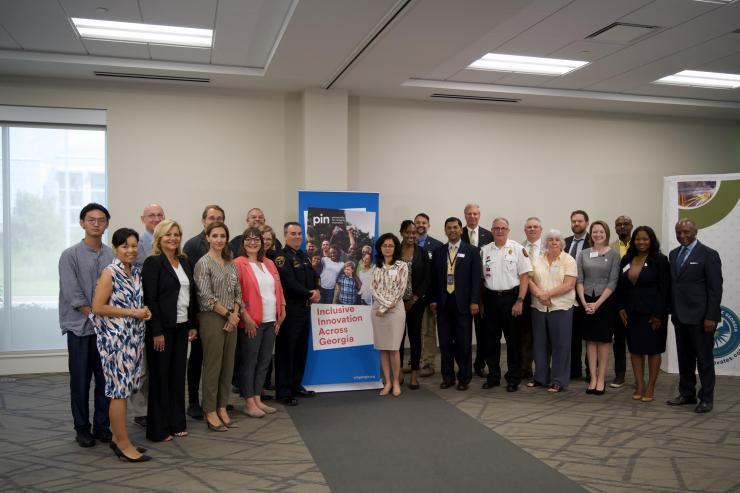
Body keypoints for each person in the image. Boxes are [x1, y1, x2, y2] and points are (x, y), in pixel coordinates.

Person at [91, 228, 152, 462]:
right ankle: (124, 443)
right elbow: (98, 307)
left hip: (133, 339)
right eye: (125, 246)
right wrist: (131, 312)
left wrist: (143, 311)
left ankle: (118, 438)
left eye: (134, 245)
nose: (131, 250)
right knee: (118, 392)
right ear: (115, 248)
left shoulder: (135, 271)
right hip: (116, 341)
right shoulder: (110, 273)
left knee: (126, 390)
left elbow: (135, 303)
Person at [59, 203, 114, 448]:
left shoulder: (112, 254)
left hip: (107, 330)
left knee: (105, 381)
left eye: (100, 220)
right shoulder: (69, 255)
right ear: (82, 223)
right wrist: (96, 313)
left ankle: (101, 426)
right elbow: (73, 294)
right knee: (80, 382)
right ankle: (82, 429)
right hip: (80, 329)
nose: (95, 223)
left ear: (106, 224)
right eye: (90, 219)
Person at [141, 219, 197, 442]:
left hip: (182, 327)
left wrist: (192, 324)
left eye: (176, 234)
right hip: (161, 329)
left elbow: (191, 296)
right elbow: (150, 300)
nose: (173, 238)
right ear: (159, 238)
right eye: (168, 234)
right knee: (160, 378)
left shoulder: (184, 261)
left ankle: (176, 422)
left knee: (176, 376)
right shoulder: (152, 263)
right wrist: (156, 331)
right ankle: (159, 428)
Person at [667, 218, 723, 413]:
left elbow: (715, 290)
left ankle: (706, 398)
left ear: (695, 232)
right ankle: (687, 393)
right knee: (685, 358)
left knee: (704, 360)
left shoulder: (709, 254)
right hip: (680, 316)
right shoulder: (673, 255)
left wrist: (711, 317)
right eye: (679, 232)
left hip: (701, 319)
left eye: (686, 232)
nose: (682, 235)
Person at [194, 222, 242, 431]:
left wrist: (236, 314)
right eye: (215, 236)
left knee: (228, 364)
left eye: (223, 236)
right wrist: (229, 315)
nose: (220, 240)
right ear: (207, 238)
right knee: (213, 365)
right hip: (213, 318)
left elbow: (238, 292)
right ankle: (210, 409)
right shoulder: (203, 263)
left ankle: (222, 406)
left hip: (233, 317)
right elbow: (205, 297)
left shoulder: (230, 263)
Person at [234, 227, 286, 418]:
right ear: (243, 242)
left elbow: (278, 289)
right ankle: (248, 401)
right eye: (249, 239)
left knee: (264, 361)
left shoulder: (269, 263)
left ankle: (257, 398)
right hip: (252, 321)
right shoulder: (239, 263)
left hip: (271, 320)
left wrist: (282, 309)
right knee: (250, 362)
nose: (253, 242)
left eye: (257, 239)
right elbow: (236, 293)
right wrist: (244, 316)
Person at [615, 226, 669, 403]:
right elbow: (621, 287)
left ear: (651, 240)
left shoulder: (660, 260)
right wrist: (621, 307)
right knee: (635, 350)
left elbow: (664, 290)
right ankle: (639, 384)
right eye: (638, 239)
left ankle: (651, 386)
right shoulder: (627, 259)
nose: (641, 242)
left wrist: (658, 314)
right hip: (632, 313)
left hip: (653, 314)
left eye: (645, 239)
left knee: (653, 351)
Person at [182, 204, 225, 420]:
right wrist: (194, 317)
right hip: (201, 313)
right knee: (198, 357)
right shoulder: (191, 245)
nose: (214, 220)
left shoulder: (225, 248)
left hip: (222, 313)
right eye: (210, 217)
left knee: (218, 359)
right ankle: (193, 401)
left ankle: (216, 400)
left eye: (219, 217)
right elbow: (190, 284)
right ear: (203, 221)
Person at [480, 218, 531, 392]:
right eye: (496, 228)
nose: (500, 231)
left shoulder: (517, 249)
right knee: (491, 342)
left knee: (513, 342)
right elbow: (480, 279)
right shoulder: (484, 251)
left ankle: (513, 378)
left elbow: (525, 276)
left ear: (508, 230)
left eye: (503, 228)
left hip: (512, 300)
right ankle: (493, 376)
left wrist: (520, 300)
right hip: (491, 300)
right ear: (492, 230)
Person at [430, 217, 481, 391]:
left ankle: (464, 378)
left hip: (464, 305)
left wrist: (475, 301)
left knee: (464, 343)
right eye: (449, 228)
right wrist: (434, 300)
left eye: (455, 227)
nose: (452, 230)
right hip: (444, 304)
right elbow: (434, 280)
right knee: (444, 343)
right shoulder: (439, 251)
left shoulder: (472, 251)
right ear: (445, 230)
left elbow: (476, 280)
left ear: (461, 230)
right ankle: (448, 377)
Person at [274, 222, 320, 406]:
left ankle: (296, 385)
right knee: (287, 351)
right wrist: (310, 293)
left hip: (305, 308)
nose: (297, 237)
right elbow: (289, 282)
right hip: (290, 310)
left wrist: (316, 289)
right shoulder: (281, 257)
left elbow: (313, 276)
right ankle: (284, 391)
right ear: (285, 235)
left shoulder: (303, 256)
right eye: (293, 234)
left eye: (300, 234)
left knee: (301, 349)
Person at [527, 229, 577, 393]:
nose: (554, 242)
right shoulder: (537, 259)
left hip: (561, 307)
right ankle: (540, 378)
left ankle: (558, 380)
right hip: (539, 307)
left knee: (560, 345)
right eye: (551, 240)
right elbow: (529, 279)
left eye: (557, 240)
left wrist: (547, 294)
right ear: (546, 243)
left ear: (562, 243)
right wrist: (541, 295)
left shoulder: (568, 260)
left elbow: (569, 284)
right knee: (540, 344)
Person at [576, 220, 620, 395]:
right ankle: (592, 377)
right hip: (586, 299)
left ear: (606, 234)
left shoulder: (614, 254)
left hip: (605, 301)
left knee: (603, 341)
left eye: (601, 232)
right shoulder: (584, 253)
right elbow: (579, 279)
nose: (598, 235)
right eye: (594, 232)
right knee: (590, 341)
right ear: (590, 234)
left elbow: (613, 281)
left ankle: (601, 378)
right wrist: (584, 302)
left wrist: (597, 303)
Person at [132, 203, 165, 428]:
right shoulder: (137, 244)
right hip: (141, 311)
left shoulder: (167, 243)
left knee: (160, 365)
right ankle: (141, 410)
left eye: (159, 215)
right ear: (143, 218)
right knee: (142, 367)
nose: (155, 218)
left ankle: (158, 404)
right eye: (151, 215)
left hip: (164, 311)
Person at [371, 233, 409, 397]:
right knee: (383, 349)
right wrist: (384, 305)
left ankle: (395, 382)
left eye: (391, 245)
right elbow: (373, 289)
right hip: (378, 310)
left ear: (395, 248)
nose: (388, 248)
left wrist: (386, 307)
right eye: (385, 245)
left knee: (393, 348)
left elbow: (401, 290)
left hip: (395, 311)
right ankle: (386, 382)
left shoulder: (401, 266)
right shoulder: (375, 266)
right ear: (380, 248)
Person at [397, 220, 431, 390]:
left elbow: (427, 278)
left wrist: (414, 298)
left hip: (416, 303)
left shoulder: (422, 253)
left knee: (415, 337)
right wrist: (398, 300)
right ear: (401, 232)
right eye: (407, 232)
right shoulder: (395, 251)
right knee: (398, 338)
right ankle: (399, 371)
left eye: (413, 233)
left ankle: (415, 374)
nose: (411, 235)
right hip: (396, 303)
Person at [460, 203, 492, 378]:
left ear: (479, 215)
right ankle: (464, 365)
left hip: (483, 290)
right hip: (463, 290)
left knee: (482, 332)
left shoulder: (489, 235)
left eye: (475, 214)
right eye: (469, 214)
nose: (472, 216)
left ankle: (480, 363)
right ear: (465, 215)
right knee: (464, 331)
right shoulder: (459, 233)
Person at [415, 213, 443, 377]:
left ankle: (428, 363)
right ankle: (415, 361)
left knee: (428, 332)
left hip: (429, 297)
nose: (421, 225)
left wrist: (435, 299)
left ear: (429, 225)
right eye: (418, 222)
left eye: (424, 222)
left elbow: (439, 275)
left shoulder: (437, 246)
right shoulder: (406, 245)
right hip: (411, 298)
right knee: (414, 331)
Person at [564, 209, 591, 380]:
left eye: (580, 221)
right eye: (574, 221)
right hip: (568, 296)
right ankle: (574, 370)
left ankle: (591, 371)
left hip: (588, 295)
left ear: (586, 223)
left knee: (589, 335)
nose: (576, 224)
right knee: (572, 336)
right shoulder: (565, 242)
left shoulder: (593, 241)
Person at [609, 215, 633, 388]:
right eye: (619, 225)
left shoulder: (640, 244)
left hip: (637, 300)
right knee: (618, 340)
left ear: (631, 226)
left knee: (637, 340)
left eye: (625, 224)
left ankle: (640, 375)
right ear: (615, 228)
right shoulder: (610, 249)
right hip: (617, 300)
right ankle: (620, 374)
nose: (622, 227)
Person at [520, 216, 543, 379]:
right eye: (529, 227)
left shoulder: (550, 247)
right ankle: (525, 368)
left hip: (545, 295)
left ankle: (543, 369)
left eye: (535, 227)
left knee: (543, 335)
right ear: (525, 230)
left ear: (541, 230)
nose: (532, 229)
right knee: (525, 334)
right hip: (526, 296)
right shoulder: (518, 248)